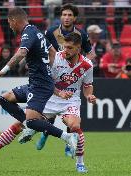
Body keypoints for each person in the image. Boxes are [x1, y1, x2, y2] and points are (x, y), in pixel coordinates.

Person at [0, 7, 79, 163]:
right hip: (37, 83)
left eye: (9, 23)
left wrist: (4, 70)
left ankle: (67, 137)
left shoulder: (28, 32)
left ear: (14, 20)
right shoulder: (38, 31)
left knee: (31, 121)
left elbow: (22, 53)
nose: (10, 27)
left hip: (40, 86)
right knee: (5, 99)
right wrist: (49, 72)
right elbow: (53, 52)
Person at [17, 3, 95, 144]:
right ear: (60, 17)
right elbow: (44, 51)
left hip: (71, 78)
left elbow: (91, 53)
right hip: (53, 77)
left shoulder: (81, 34)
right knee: (39, 116)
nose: (66, 18)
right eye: (64, 14)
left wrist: (79, 68)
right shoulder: (50, 31)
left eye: (70, 15)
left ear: (75, 18)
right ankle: (46, 133)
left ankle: (64, 141)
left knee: (71, 122)